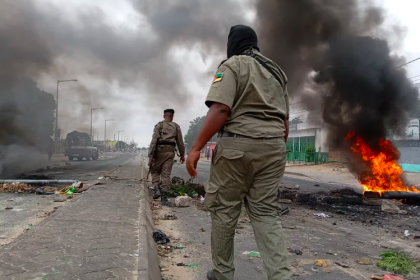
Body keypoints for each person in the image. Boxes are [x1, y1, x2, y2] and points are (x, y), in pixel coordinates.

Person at [186, 25, 290, 280]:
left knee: (224, 210)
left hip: (237, 147)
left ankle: (222, 274)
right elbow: (285, 121)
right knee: (266, 213)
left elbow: (220, 108)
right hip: (275, 147)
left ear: (233, 44)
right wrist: (272, 145)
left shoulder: (232, 65)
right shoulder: (276, 71)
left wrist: (197, 147)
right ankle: (280, 276)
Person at [148, 109, 186, 205]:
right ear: (172, 116)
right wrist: (182, 155)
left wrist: (151, 154)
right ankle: (164, 198)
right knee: (166, 174)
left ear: (164, 115)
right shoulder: (176, 127)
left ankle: (157, 189)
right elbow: (180, 142)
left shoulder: (159, 125)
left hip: (159, 151)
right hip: (170, 151)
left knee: (154, 170)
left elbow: (154, 140)